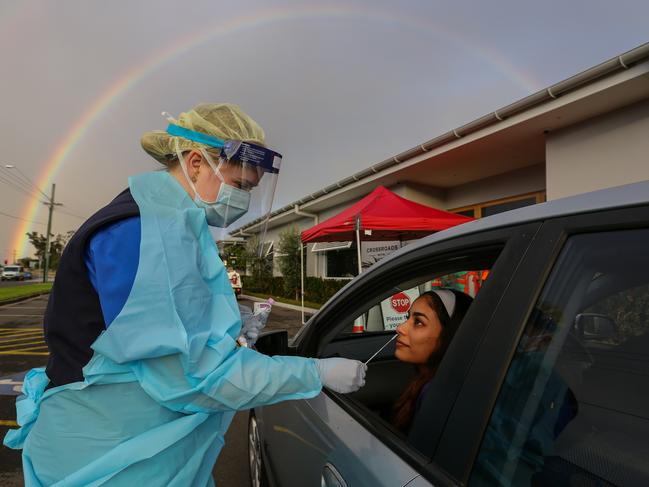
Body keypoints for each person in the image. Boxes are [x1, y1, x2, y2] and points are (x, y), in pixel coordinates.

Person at [4, 103, 366, 486]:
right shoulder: (146, 232)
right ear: (195, 163)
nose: (242, 200)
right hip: (110, 458)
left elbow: (168, 327)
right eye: (240, 185)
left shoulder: (167, 221)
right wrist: (314, 372)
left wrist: (227, 330)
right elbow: (194, 377)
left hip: (132, 448)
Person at [391, 289, 472, 433]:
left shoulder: (437, 395)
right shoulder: (428, 383)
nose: (400, 328)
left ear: (449, 336)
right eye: (407, 317)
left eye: (418, 322)